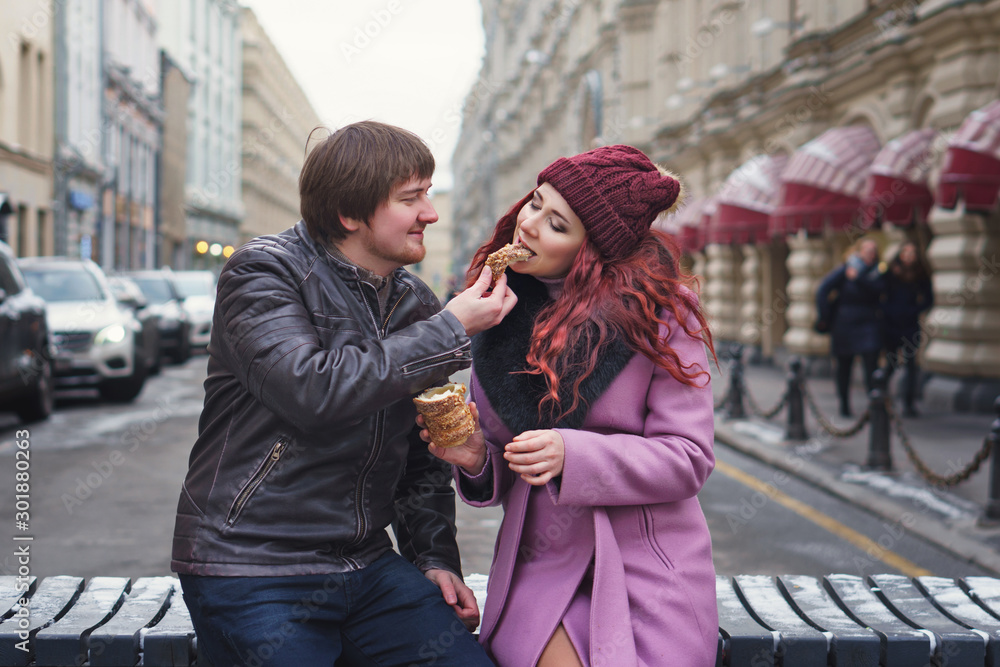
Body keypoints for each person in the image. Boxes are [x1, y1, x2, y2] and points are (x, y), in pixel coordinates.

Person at [170, 121, 516, 666]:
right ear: (348, 214)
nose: (431, 213)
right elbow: (313, 389)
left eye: (428, 193)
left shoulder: (413, 301)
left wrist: (433, 557)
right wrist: (451, 329)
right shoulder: (263, 270)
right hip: (252, 566)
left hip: (365, 564)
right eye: (411, 198)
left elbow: (425, 452)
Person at [421, 145, 718, 666]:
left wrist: (572, 456)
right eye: (534, 203)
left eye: (557, 223)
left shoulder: (660, 311)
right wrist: (475, 458)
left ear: (592, 250)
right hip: (539, 562)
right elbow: (505, 462)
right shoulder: (497, 312)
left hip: (644, 565)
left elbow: (688, 458)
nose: (528, 225)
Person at [815, 238, 886, 417]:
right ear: (859, 251)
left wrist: (859, 278)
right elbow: (823, 290)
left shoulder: (878, 271)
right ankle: (844, 403)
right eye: (867, 249)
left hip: (869, 323)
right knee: (844, 366)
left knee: (871, 365)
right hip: (844, 325)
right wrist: (825, 317)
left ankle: (874, 405)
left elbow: (880, 291)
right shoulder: (846, 269)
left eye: (873, 250)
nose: (870, 253)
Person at [882, 241, 933, 416]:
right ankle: (880, 396)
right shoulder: (890, 272)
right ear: (900, 254)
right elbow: (880, 294)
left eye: (913, 252)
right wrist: (888, 310)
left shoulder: (920, 274)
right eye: (906, 252)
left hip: (910, 324)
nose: (909, 256)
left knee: (911, 365)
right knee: (891, 362)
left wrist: (915, 309)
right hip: (892, 324)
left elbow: (928, 298)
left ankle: (908, 403)